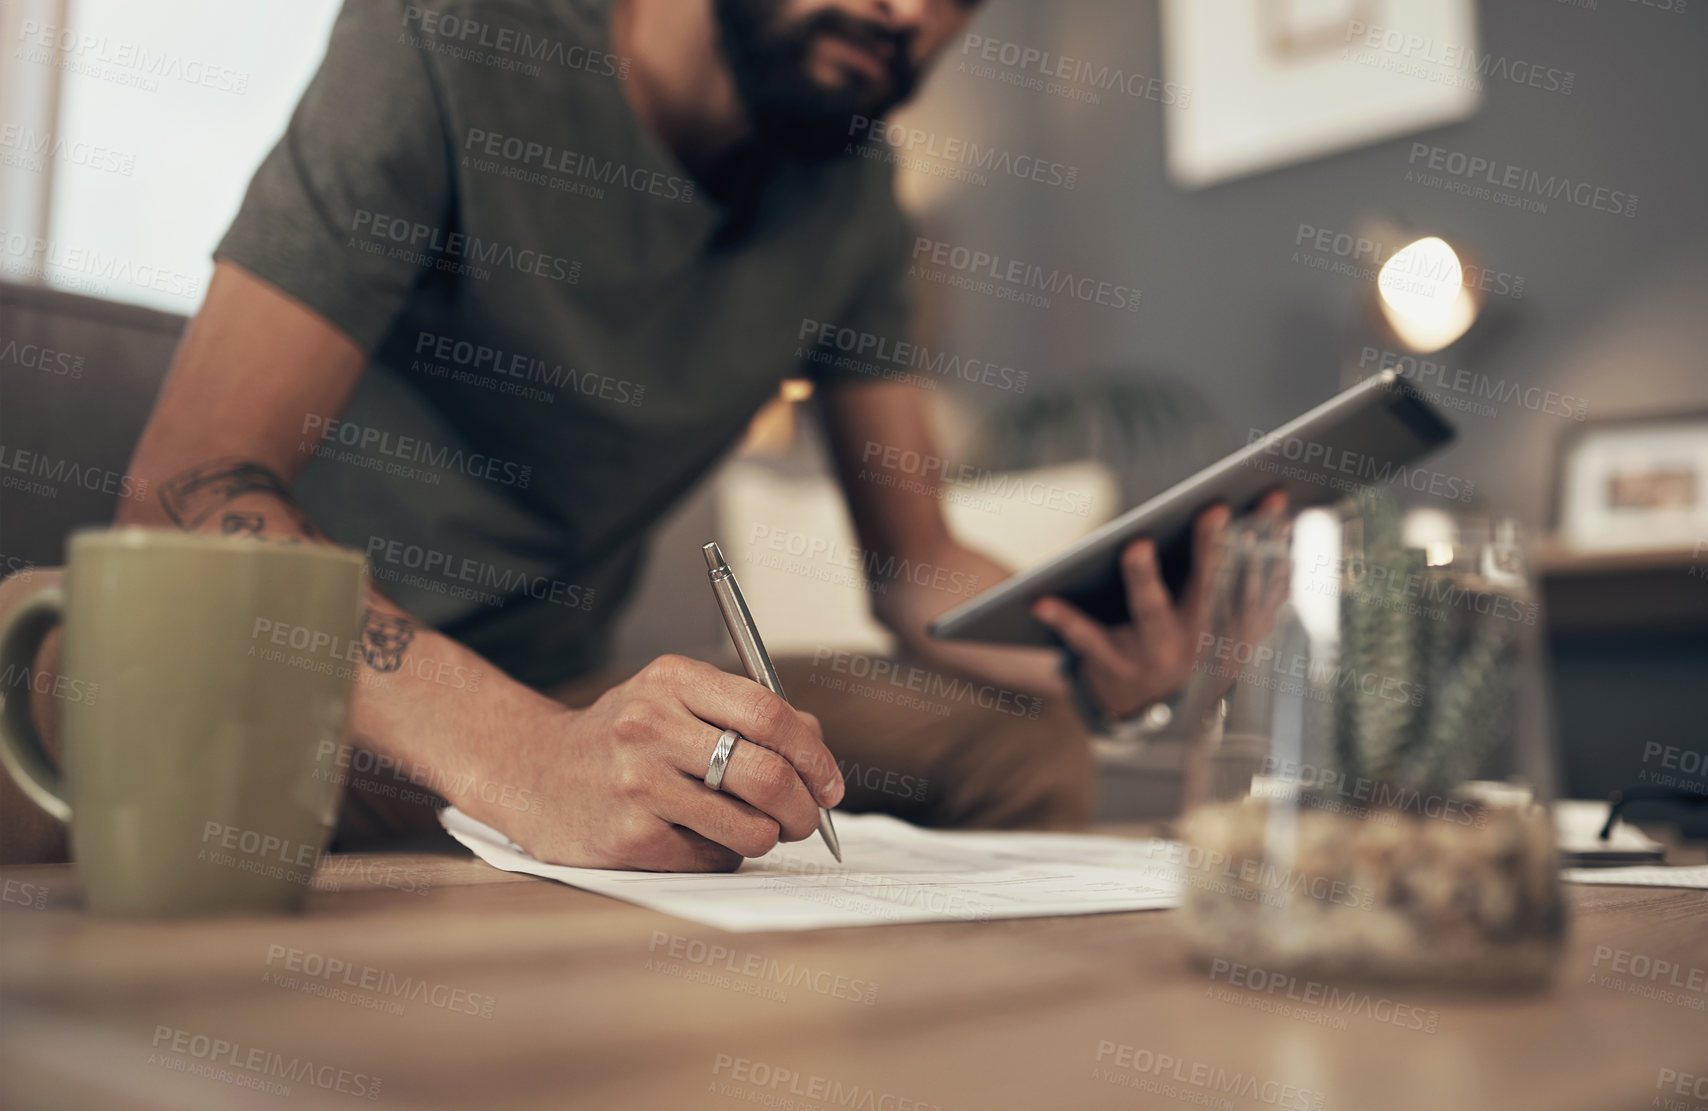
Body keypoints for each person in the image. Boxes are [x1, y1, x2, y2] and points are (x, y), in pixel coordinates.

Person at [0, 0, 1267, 871]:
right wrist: (518, 755)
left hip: (557, 693)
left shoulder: (859, 200)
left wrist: (1105, 648)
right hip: (286, 695)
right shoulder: (451, 39)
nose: (913, 13)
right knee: (42, 682)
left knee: (1012, 737)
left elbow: (915, 566)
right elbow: (180, 496)